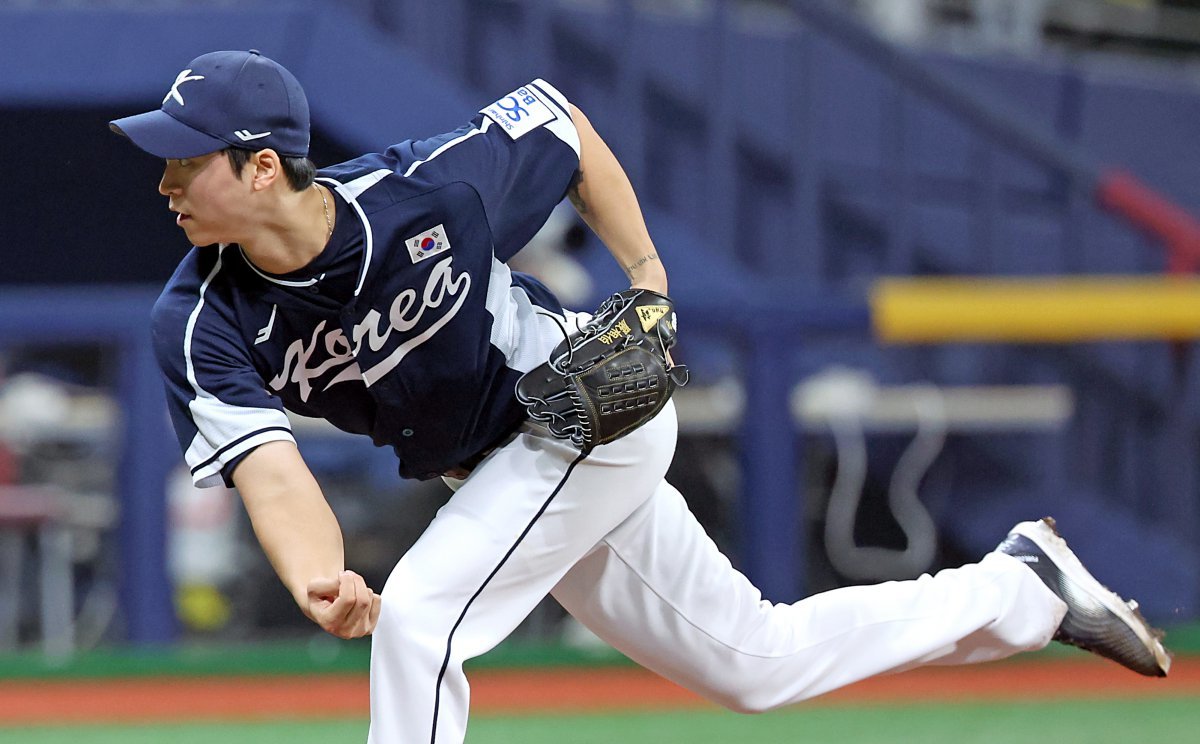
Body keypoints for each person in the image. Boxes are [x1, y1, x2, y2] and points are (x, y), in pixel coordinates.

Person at [110, 50, 1170, 743]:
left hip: (583, 414)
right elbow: (269, 467)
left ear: (261, 169)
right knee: (755, 663)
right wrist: (318, 576)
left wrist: (648, 272)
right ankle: (1023, 589)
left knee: (423, 618)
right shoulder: (200, 318)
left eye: (183, 158)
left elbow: (558, 122)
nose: (161, 181)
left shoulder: (422, 189)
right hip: (501, 475)